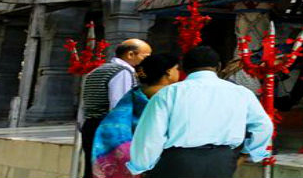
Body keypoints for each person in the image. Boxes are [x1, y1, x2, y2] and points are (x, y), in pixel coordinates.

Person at [127, 46, 273, 178]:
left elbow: (151, 135)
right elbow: (264, 126)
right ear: (219, 67)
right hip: (222, 161)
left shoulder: (168, 93)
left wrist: (141, 167)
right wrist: (248, 153)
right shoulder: (241, 93)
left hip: (178, 163)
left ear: (184, 68)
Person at [92, 53, 180, 178]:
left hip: (133, 158)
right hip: (164, 160)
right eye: (177, 69)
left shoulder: (133, 94)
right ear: (169, 72)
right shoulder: (170, 96)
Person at [79, 39, 152, 178]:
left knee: (93, 169)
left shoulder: (98, 70)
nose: (147, 61)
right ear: (131, 54)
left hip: (91, 125)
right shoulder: (123, 72)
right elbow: (119, 106)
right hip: (108, 128)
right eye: (146, 56)